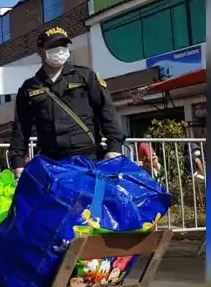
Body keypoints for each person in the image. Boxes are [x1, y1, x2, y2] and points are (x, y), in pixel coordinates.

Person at [8, 26, 125, 177]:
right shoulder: (30, 87)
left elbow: (106, 111)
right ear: (40, 50)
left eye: (63, 45)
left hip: (88, 160)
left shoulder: (85, 76)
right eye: (53, 46)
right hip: (51, 164)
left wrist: (114, 147)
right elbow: (21, 128)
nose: (60, 50)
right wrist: (17, 162)